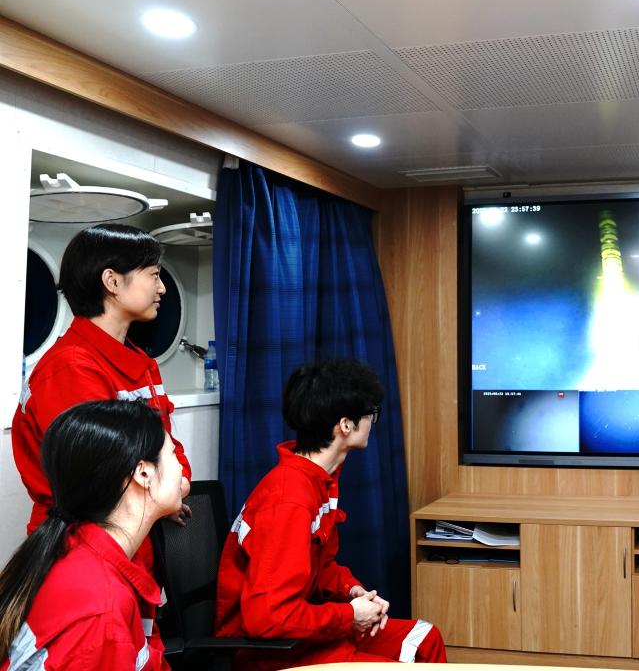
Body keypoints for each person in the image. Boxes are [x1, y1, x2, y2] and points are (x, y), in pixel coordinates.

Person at [216, 358, 446, 670]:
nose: (372, 422)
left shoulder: (319, 480)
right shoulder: (289, 499)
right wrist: (350, 615)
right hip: (269, 652)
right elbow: (268, 619)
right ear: (345, 425)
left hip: (300, 637)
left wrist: (352, 591)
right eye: (371, 414)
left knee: (426, 638)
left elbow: (319, 567)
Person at [12, 223, 192, 535]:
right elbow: (103, 483)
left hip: (131, 532)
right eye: (154, 275)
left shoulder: (139, 361)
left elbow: (170, 450)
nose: (162, 288)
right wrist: (168, 492)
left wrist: (172, 488)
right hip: (83, 539)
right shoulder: (70, 369)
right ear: (112, 281)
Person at [0, 400, 184, 670]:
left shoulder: (80, 546)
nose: (181, 468)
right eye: (173, 454)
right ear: (143, 473)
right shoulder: (103, 612)